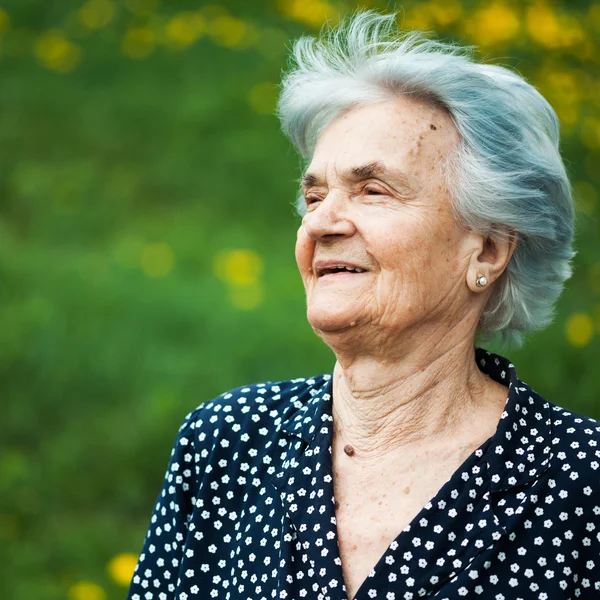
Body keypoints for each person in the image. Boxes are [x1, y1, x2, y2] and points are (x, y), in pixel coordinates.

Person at [127, 11, 600, 600]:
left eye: (373, 190)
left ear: (487, 250)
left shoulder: (582, 485)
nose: (320, 222)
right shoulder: (225, 443)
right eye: (314, 194)